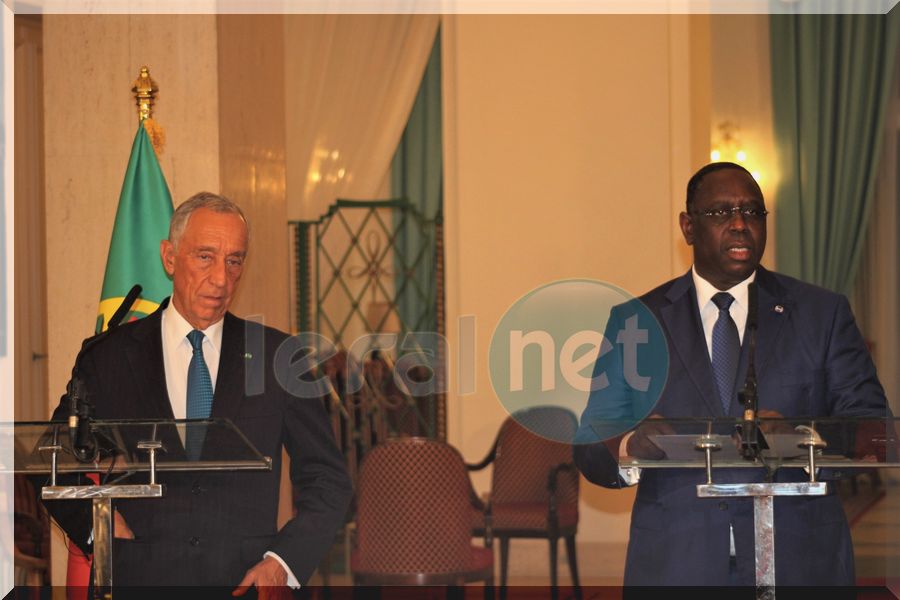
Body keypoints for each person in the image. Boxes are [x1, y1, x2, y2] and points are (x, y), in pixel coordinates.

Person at [573, 162, 889, 587]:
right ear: (688, 227)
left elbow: (875, 430)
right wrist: (633, 445)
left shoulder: (821, 314)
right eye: (722, 213)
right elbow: (591, 441)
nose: (740, 224)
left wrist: (801, 439)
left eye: (753, 212)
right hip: (677, 563)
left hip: (799, 560)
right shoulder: (637, 321)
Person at [43, 192, 353, 592]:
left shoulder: (279, 358)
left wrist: (283, 562)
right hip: (137, 579)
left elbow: (328, 479)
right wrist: (95, 525)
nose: (221, 278)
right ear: (170, 257)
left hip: (243, 583)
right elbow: (50, 459)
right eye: (205, 257)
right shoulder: (108, 358)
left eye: (234, 260)